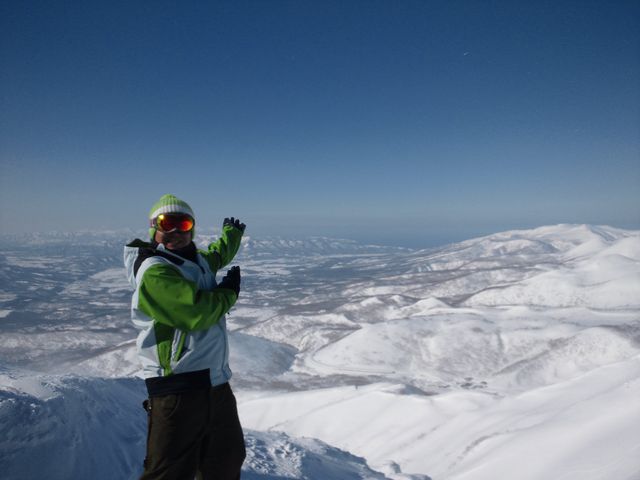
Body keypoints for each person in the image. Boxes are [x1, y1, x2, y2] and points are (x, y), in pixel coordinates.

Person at [124, 194, 246, 480]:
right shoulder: (155, 270)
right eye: (166, 223)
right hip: (177, 388)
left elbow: (216, 256)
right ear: (153, 227)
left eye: (184, 224)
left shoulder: (195, 260)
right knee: (169, 473)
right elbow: (196, 312)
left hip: (215, 382)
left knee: (226, 459)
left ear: (192, 228)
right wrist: (229, 292)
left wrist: (232, 236)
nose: (175, 231)